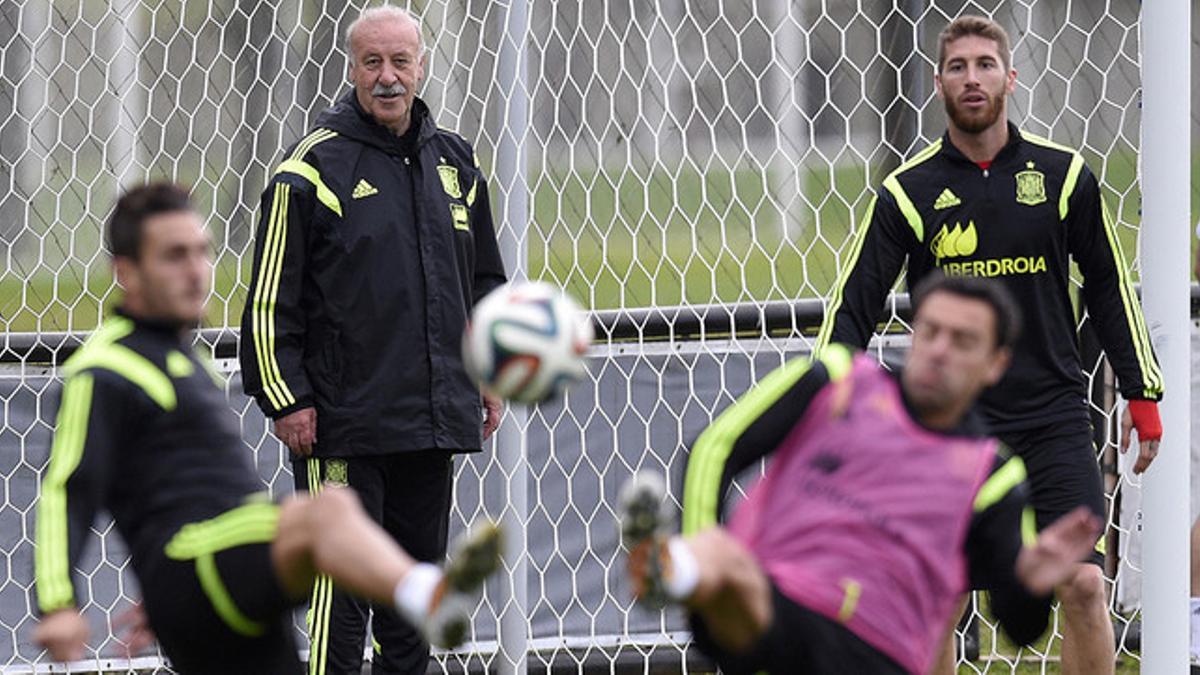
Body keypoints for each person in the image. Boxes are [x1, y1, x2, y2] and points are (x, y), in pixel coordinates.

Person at [32, 183, 503, 674]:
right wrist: (59, 603)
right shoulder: (102, 368)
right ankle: (428, 595)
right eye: (174, 257)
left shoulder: (189, 359)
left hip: (223, 578)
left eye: (201, 252)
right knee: (330, 508)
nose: (195, 272)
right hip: (196, 562)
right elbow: (67, 488)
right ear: (126, 272)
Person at [813, 15, 1163, 674]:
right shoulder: (906, 194)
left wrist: (1142, 393)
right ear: (938, 84)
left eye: (984, 64)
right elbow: (852, 308)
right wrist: (824, 405)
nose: (972, 78)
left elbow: (1112, 288)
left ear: (1010, 76)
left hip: (1054, 421)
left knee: (1086, 586)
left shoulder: (1063, 178)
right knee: (940, 594)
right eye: (957, 67)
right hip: (953, 428)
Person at [620, 274, 1101, 675]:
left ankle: (680, 568)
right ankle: (672, 567)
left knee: (735, 571)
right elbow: (715, 446)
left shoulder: (990, 473)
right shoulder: (838, 379)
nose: (939, 350)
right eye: (930, 331)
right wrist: (699, 536)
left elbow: (1020, 628)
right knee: (725, 556)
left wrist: (1031, 583)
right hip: (779, 607)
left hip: (878, 649)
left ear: (995, 364)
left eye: (963, 341)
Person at [237, 7, 507, 674]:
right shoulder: (311, 166)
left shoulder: (456, 162)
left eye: (400, 62)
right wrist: (286, 396)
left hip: (434, 415)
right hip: (342, 422)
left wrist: (491, 371)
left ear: (422, 66)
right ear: (351, 67)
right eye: (372, 63)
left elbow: (485, 283)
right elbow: (271, 296)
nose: (387, 78)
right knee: (344, 586)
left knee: (416, 588)